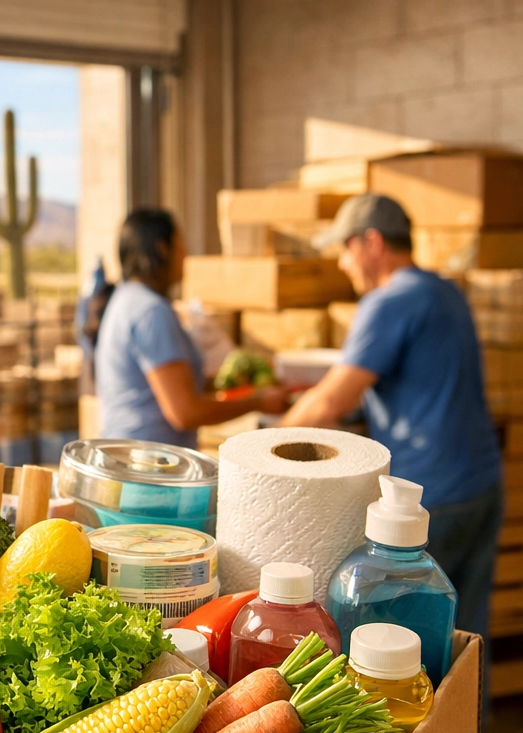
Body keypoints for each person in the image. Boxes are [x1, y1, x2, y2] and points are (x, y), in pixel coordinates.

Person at [281, 193, 503, 701]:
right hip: (480, 483)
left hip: (429, 502)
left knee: (407, 658)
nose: (341, 262)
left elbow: (331, 400)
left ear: (372, 242)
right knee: (465, 641)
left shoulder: (389, 300)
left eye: (345, 248)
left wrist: (260, 441)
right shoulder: (444, 291)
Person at [96, 209, 286, 448]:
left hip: (130, 457)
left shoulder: (126, 300)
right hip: (147, 468)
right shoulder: (151, 312)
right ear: (162, 248)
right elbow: (185, 413)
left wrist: (237, 382)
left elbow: (170, 383)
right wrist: (258, 403)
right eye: (180, 244)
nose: (185, 254)